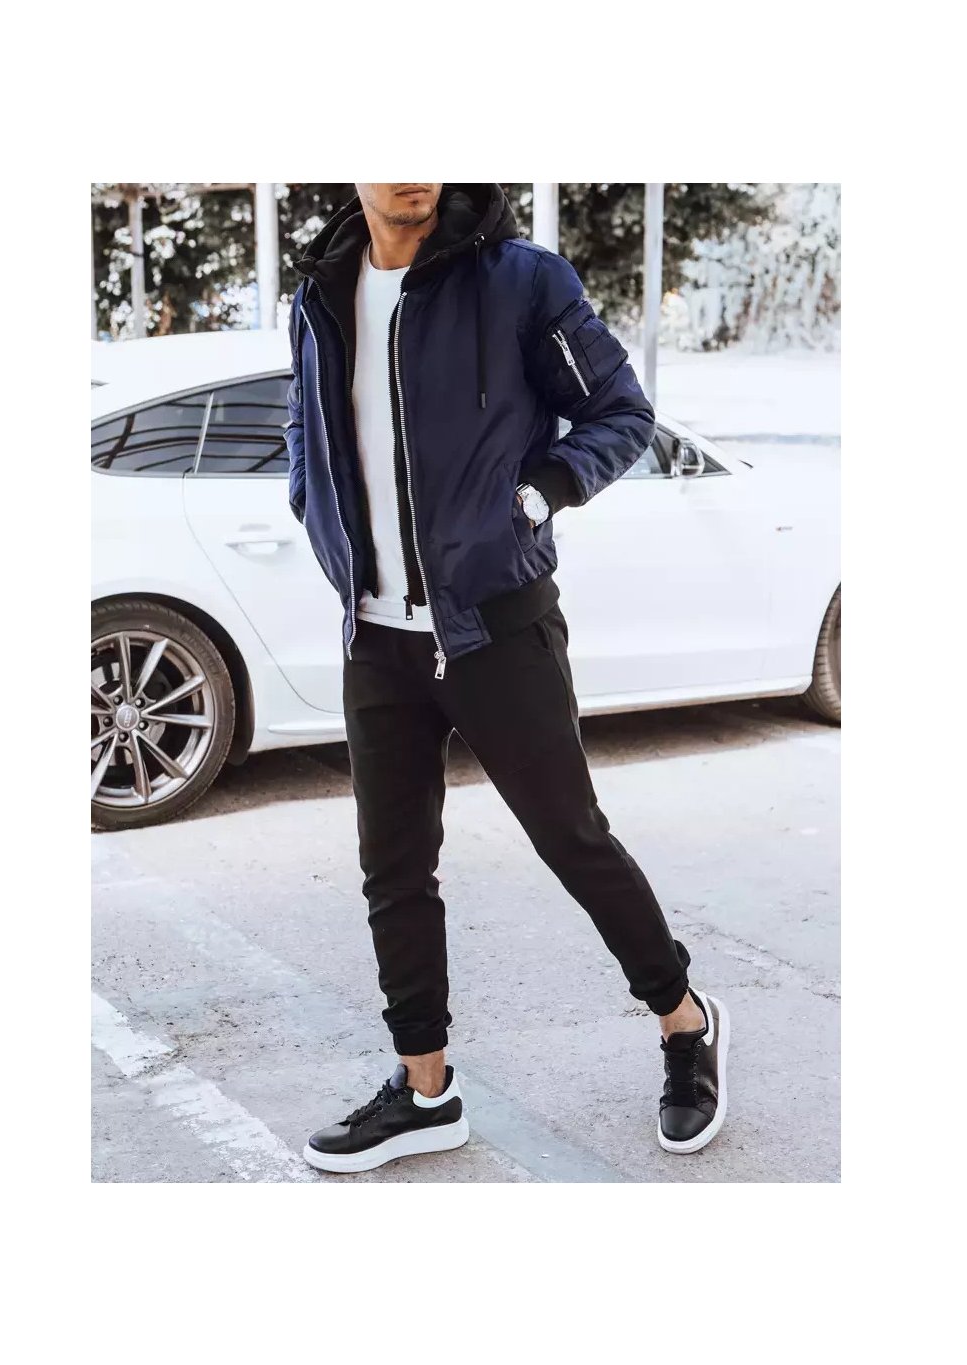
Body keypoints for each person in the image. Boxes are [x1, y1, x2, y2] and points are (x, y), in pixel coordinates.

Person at [285, 183, 728, 1174]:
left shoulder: (519, 280)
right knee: (394, 870)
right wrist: (317, 514)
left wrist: (534, 497)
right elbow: (305, 434)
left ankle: (684, 1021)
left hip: (496, 625)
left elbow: (621, 411)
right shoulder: (318, 294)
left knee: (572, 839)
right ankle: (425, 1089)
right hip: (377, 636)